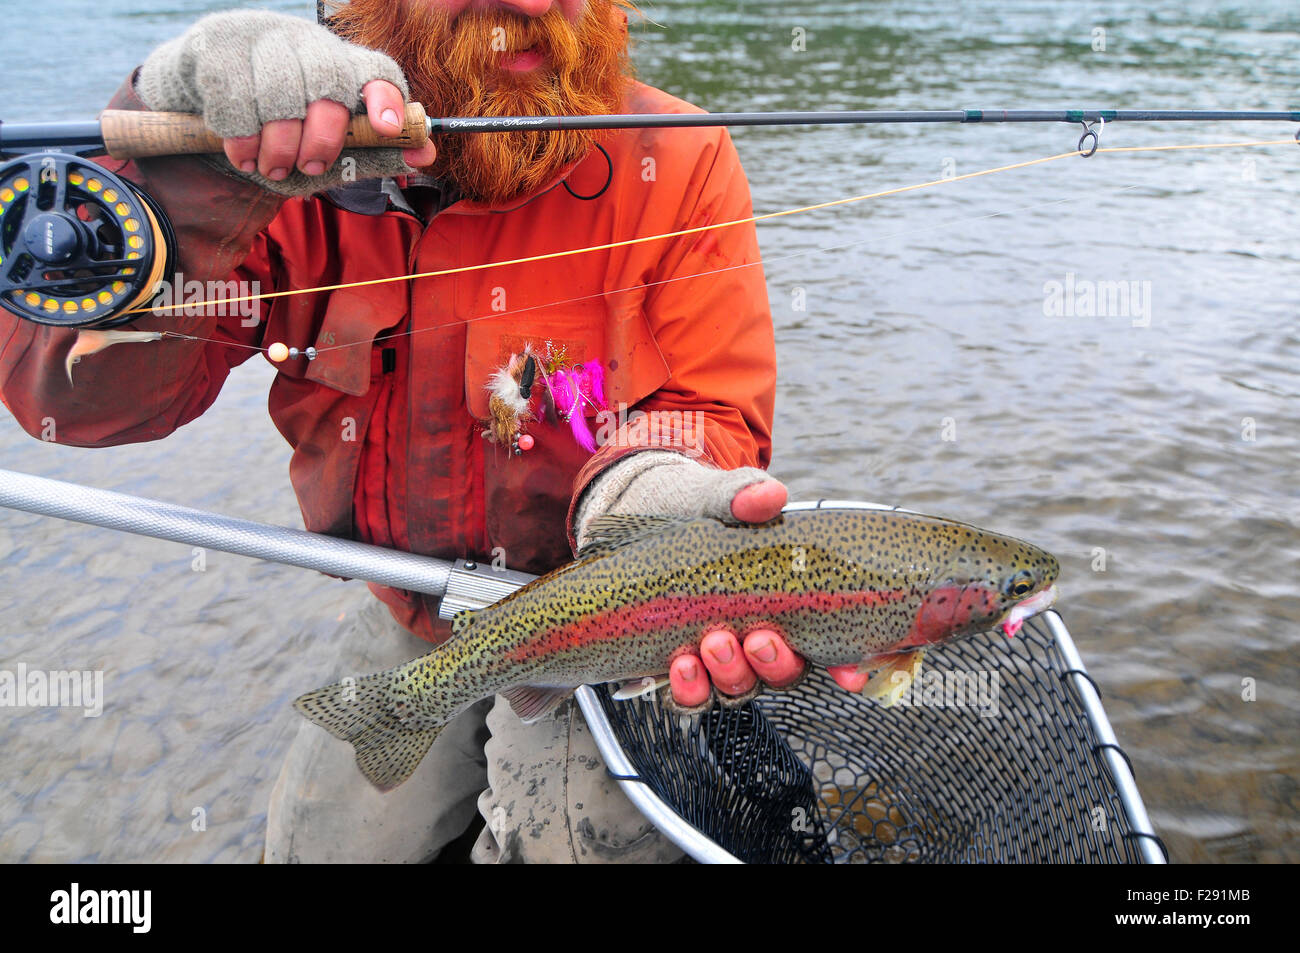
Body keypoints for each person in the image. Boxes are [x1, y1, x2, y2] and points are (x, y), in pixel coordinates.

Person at [0, 0, 862, 863]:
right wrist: (191, 184)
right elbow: (81, 404)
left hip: (608, 622)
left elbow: (713, 419)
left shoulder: (679, 156)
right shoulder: (278, 160)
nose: (529, 7)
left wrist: (658, 498)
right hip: (405, 601)